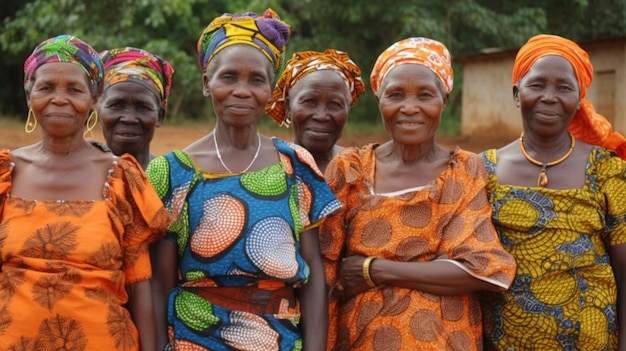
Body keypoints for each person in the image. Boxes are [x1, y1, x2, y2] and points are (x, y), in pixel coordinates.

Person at [146, 9, 341, 351]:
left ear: (270, 89)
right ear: (207, 83)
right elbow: (159, 285)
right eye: (229, 77)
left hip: (279, 338)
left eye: (256, 80)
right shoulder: (172, 171)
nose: (242, 90)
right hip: (194, 339)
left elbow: (313, 276)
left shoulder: (294, 164)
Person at [320, 37, 517, 351]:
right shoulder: (349, 169)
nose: (409, 108)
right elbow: (328, 272)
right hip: (361, 340)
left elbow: (481, 268)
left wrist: (374, 270)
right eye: (395, 94)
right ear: (379, 100)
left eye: (425, 95)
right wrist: (434, 266)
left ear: (445, 100)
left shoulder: (464, 169)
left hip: (448, 341)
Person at [0, 34, 171, 350]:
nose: (60, 99)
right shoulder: (6, 174)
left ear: (94, 98)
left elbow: (139, 284)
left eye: (74, 89)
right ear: (29, 96)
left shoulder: (120, 177)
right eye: (46, 87)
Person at [479, 34, 626, 351]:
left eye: (564, 87)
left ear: (579, 98)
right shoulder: (482, 170)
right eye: (537, 85)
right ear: (517, 94)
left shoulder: (607, 171)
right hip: (504, 343)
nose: (549, 96)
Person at [265, 49, 365, 173]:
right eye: (309, 102)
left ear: (347, 109)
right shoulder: (264, 167)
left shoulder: (362, 169)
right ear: (288, 107)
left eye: (335, 104)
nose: (321, 116)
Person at [98, 47, 175, 169]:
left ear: (160, 116)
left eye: (143, 107)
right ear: (99, 110)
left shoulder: (173, 181)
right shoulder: (77, 176)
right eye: (117, 105)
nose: (129, 119)